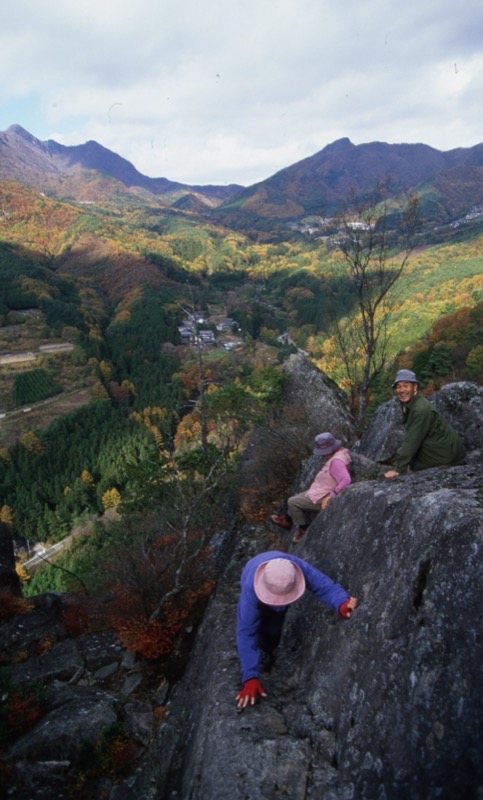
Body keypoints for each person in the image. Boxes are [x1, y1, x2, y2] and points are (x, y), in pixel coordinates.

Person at [235, 551, 358, 708]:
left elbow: (321, 584)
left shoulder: (293, 568)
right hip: (253, 580)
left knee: (273, 632)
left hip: (272, 583)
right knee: (259, 627)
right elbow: (245, 631)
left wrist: (341, 603)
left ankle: (266, 650)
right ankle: (261, 652)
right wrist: (249, 676)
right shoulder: (250, 589)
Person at [271, 432, 352, 543]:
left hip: (325, 495)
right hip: (321, 489)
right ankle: (287, 519)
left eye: (324, 452)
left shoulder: (336, 462)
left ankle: (303, 529)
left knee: (292, 502)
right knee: (298, 497)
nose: (322, 455)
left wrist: (332, 495)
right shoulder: (341, 453)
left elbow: (346, 480)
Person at [384, 369, 466, 479]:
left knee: (414, 465)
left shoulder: (420, 409)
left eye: (406, 385)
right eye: (398, 387)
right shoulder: (411, 403)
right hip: (446, 451)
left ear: (415, 387)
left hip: (445, 457)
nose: (401, 390)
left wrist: (398, 469)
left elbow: (412, 441)